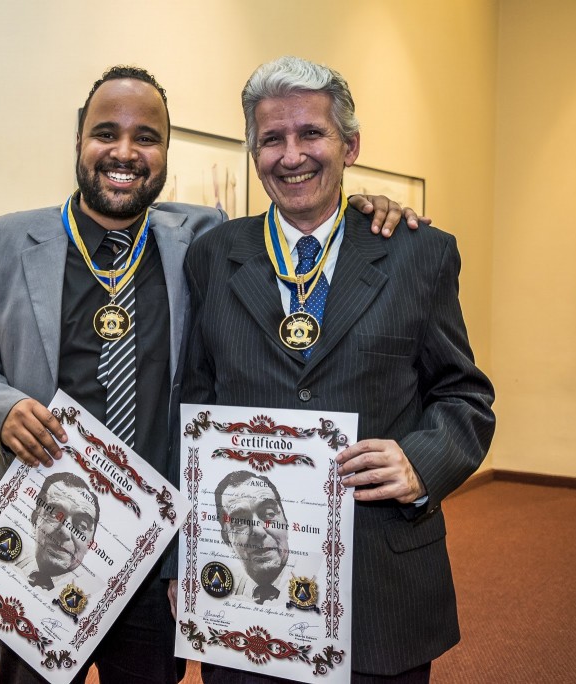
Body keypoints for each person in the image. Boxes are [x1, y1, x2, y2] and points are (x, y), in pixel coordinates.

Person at [0, 64, 422, 684]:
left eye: (146, 137)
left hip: (158, 543)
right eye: (105, 133)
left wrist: (365, 208)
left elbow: (305, 214)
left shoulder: (204, 237)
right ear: (78, 143)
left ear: (166, 151)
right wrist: (1, 408)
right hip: (43, 527)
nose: (124, 152)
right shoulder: (5, 242)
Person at [182, 56, 496, 684]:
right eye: (272, 138)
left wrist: (420, 461)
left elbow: (464, 395)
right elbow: (195, 397)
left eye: (311, 134)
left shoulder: (419, 254)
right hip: (243, 594)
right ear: (253, 152)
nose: (291, 154)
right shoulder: (215, 256)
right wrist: (185, 560)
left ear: (350, 146)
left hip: (380, 578)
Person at [214, 471, 291, 604]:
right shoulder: (222, 590)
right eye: (239, 522)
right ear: (227, 540)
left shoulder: (319, 577)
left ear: (286, 523)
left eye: (269, 513)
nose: (258, 530)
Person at [18, 472, 100, 591]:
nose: (65, 531)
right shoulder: (12, 562)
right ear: (35, 520)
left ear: (90, 544)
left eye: (82, 525)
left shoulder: (96, 594)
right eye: (54, 514)